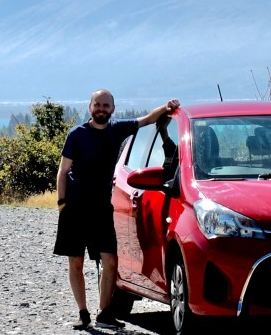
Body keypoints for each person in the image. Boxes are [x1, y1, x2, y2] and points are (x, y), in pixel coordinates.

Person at [54, 90, 180, 329]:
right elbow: (63, 171)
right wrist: (62, 204)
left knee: (110, 261)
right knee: (76, 262)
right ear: (90, 107)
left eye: (106, 105)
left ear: (113, 108)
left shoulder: (117, 130)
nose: (101, 108)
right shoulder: (76, 134)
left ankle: (104, 314)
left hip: (102, 208)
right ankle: (83, 313)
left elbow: (147, 120)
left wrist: (167, 107)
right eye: (97, 104)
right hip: (75, 208)